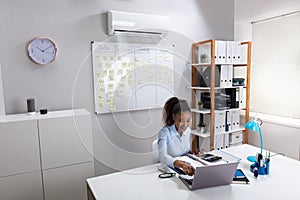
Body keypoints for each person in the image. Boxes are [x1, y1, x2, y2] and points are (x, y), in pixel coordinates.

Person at [158, 97, 195, 175]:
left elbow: (183, 151)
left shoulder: (187, 131)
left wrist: (192, 153)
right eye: (181, 120)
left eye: (188, 121)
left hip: (184, 168)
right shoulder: (165, 132)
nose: (185, 125)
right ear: (174, 117)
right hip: (169, 170)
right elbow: (162, 157)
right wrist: (181, 164)